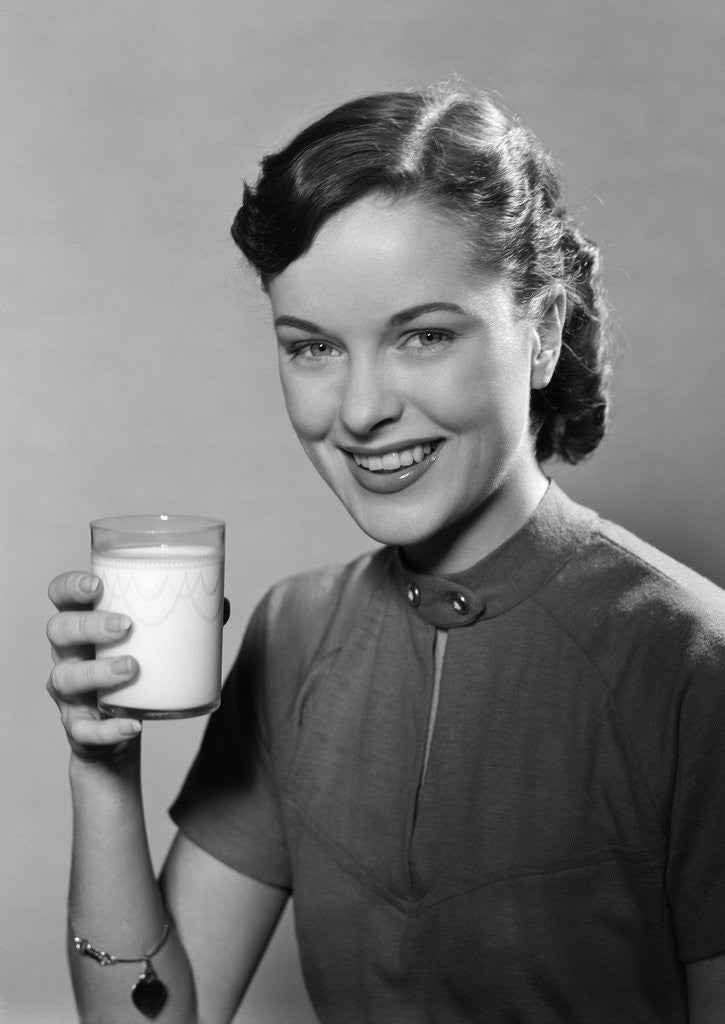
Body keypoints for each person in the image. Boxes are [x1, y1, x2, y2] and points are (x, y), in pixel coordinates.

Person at [46, 83, 725, 1024]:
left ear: (543, 330)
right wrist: (102, 771)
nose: (361, 410)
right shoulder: (294, 634)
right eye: (313, 348)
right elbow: (154, 1020)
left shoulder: (690, 660)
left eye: (423, 335)